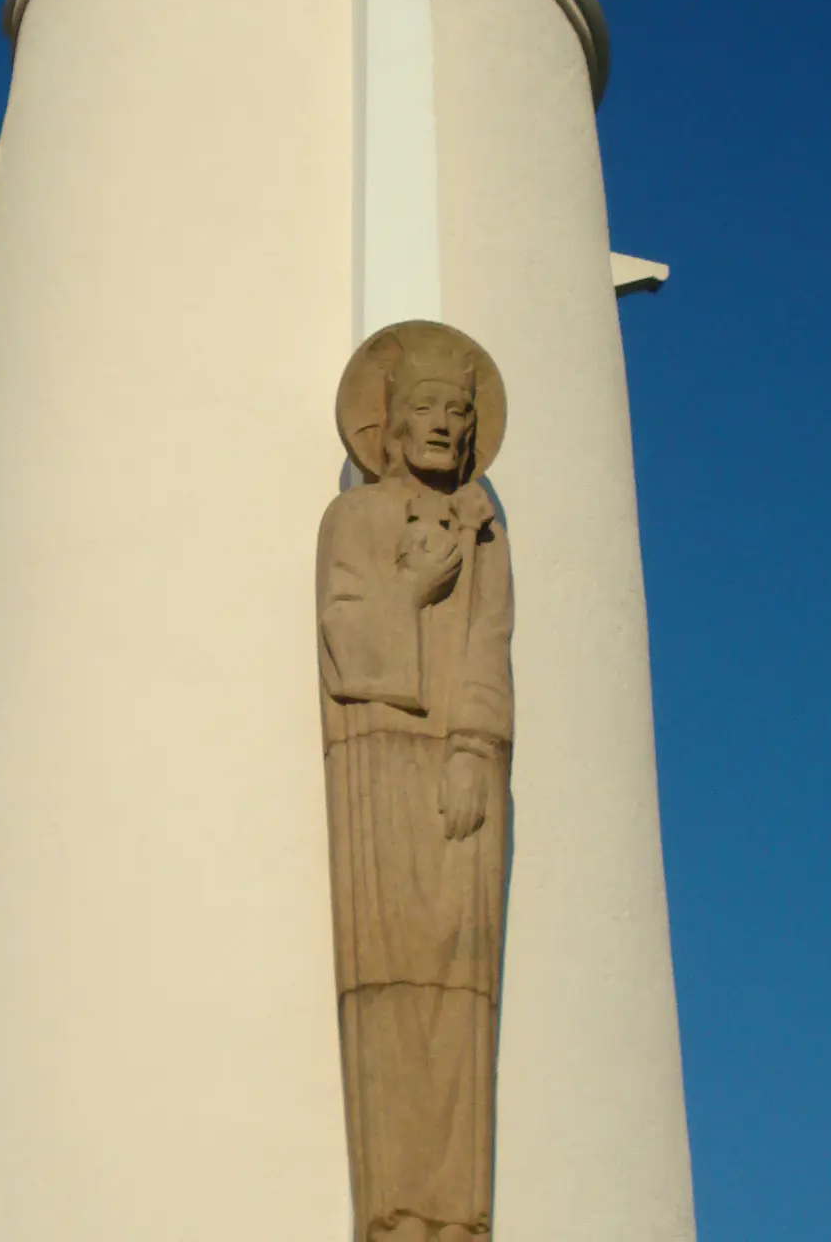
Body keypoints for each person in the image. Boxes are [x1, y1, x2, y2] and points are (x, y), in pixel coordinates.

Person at [317, 321, 514, 1242]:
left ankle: (460, 1210)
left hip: (459, 769)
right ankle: (393, 1209)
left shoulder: (486, 532)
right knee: (390, 978)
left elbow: (489, 650)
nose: (444, 424)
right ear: (388, 425)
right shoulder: (354, 519)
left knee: (457, 983)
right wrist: (412, 590)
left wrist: (475, 749)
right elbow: (349, 647)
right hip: (375, 775)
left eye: (459, 411)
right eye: (426, 407)